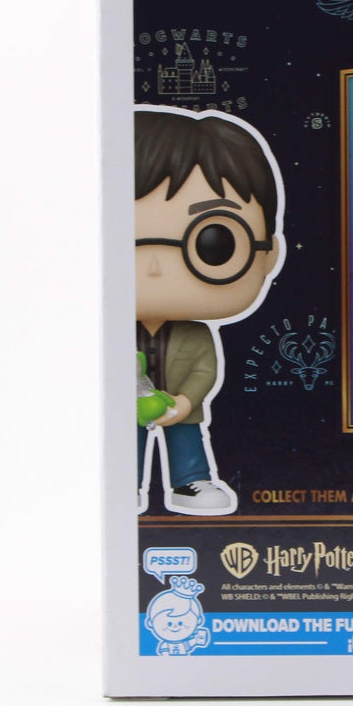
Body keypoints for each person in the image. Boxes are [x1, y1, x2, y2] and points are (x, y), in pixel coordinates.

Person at [135, 107, 284, 515]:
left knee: (186, 438)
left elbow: (205, 371)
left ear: (269, 254)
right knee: (123, 440)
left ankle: (190, 481)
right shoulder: (109, 335)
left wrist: (185, 401)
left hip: (181, 404)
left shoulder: (196, 333)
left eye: (213, 243)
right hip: (127, 407)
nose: (153, 267)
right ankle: (120, 482)